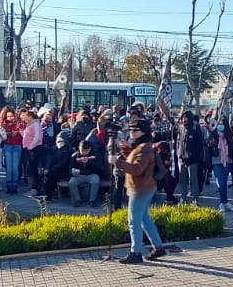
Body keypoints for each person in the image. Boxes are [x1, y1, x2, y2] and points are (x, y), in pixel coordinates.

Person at [113, 118, 167, 264]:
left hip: (140, 188)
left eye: (135, 130)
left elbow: (137, 169)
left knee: (133, 220)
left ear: (143, 132)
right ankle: (158, 247)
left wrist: (117, 162)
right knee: (143, 218)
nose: (131, 132)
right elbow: (135, 162)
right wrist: (125, 152)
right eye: (130, 130)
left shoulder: (144, 148)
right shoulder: (142, 146)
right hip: (145, 186)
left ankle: (135, 252)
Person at [207, 118, 233, 213]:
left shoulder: (229, 136)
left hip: (227, 161)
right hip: (216, 161)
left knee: (224, 182)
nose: (220, 125)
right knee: (220, 182)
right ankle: (224, 202)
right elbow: (208, 148)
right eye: (219, 123)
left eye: (222, 124)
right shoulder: (213, 135)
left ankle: (224, 202)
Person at [175, 111, 205, 205]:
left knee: (193, 181)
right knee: (182, 180)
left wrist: (193, 155)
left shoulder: (196, 128)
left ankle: (195, 200)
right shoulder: (180, 128)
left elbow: (200, 144)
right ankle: (183, 199)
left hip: (193, 160)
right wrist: (178, 154)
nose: (185, 119)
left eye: (186, 117)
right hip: (182, 159)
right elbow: (178, 142)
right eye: (183, 117)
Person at [68, 140, 108, 208]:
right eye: (82, 150)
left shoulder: (96, 155)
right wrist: (73, 171)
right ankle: (78, 200)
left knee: (95, 181)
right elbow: (70, 168)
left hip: (92, 174)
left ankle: (92, 200)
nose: (83, 153)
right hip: (79, 175)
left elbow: (99, 168)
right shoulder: (74, 156)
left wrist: (89, 163)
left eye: (86, 151)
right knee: (72, 182)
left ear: (89, 149)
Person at [0, 108, 23, 193]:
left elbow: (23, 132)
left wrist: (18, 132)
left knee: (15, 166)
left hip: (17, 145)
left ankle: (15, 185)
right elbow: (1, 135)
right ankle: (9, 185)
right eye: (8, 116)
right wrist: (7, 134)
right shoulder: (2, 124)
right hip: (7, 145)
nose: (10, 118)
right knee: (9, 166)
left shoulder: (18, 123)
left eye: (12, 116)